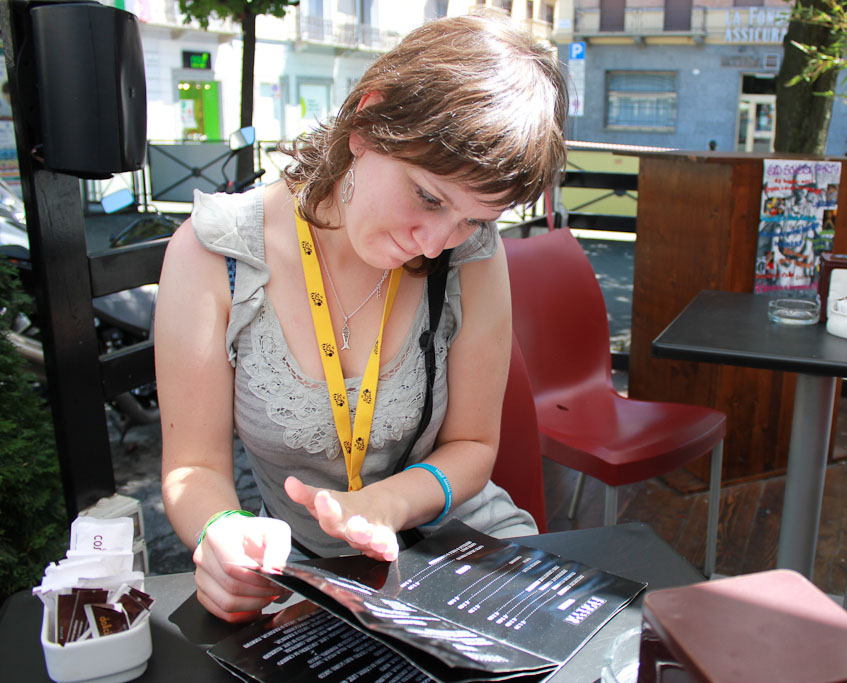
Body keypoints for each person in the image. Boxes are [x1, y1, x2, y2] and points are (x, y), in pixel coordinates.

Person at [155, 10, 568, 623]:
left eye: (473, 219)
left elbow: (475, 445)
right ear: (367, 123)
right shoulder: (217, 254)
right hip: (302, 577)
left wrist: (386, 505)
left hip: (460, 554)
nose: (436, 243)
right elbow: (194, 467)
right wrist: (220, 530)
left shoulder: (473, 254)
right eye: (428, 197)